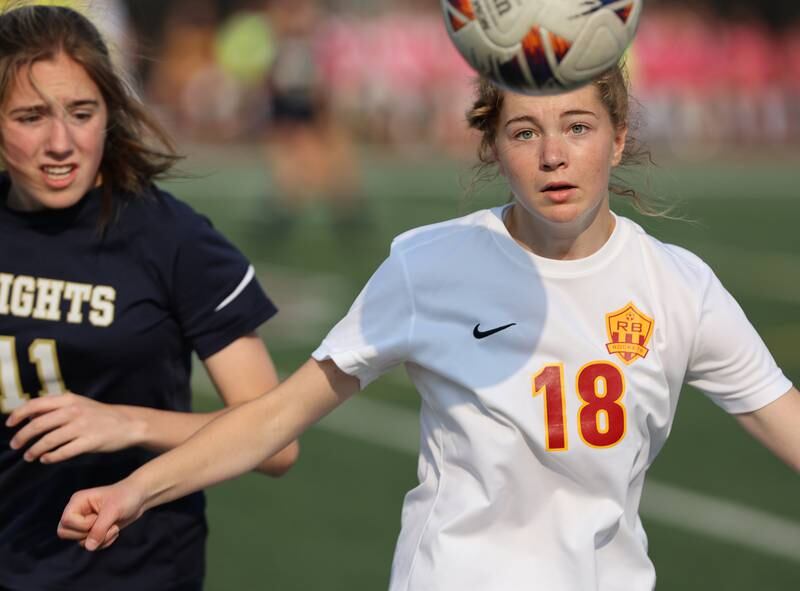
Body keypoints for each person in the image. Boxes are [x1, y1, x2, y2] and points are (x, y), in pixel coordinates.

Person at [58, 60, 799, 590]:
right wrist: (137, 490)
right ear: (490, 143)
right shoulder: (431, 266)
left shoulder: (677, 286)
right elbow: (277, 417)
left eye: (578, 126)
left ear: (619, 130)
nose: (553, 155)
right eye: (523, 132)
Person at [0, 5, 298, 591]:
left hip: (131, 570)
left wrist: (127, 424)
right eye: (31, 116)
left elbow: (276, 440)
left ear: (111, 113)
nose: (61, 142)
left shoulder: (174, 240)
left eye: (82, 113)